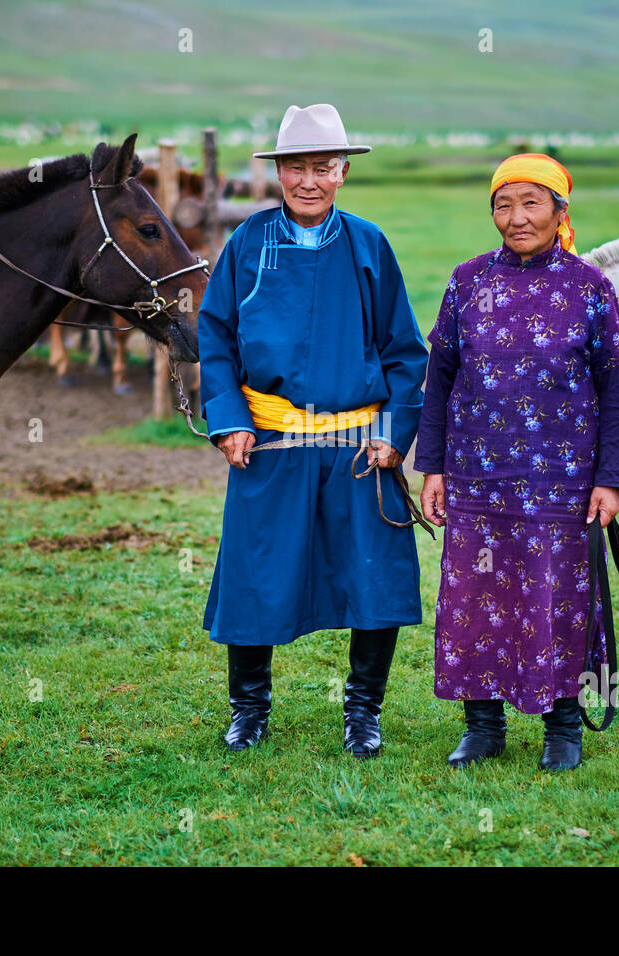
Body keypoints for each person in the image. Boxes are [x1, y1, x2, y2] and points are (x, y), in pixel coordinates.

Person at [198, 104, 429, 758]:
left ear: (343, 171)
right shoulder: (246, 245)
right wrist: (229, 419)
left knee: (372, 580)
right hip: (270, 447)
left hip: (360, 449)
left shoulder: (368, 246)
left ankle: (363, 714)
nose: (308, 180)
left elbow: (405, 352)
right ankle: (250, 710)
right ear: (277, 172)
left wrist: (396, 430)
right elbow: (214, 337)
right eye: (295, 167)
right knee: (256, 575)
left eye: (321, 167)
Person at [414, 154, 619, 772]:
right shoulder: (467, 281)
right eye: (503, 205)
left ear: (561, 210)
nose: (516, 218)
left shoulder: (589, 287)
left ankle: (564, 729)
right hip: (475, 475)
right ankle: (482, 727)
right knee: (474, 597)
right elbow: (441, 379)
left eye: (531, 203)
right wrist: (431, 466)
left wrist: (611, 480)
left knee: (557, 597)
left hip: (560, 482)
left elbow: (614, 387)